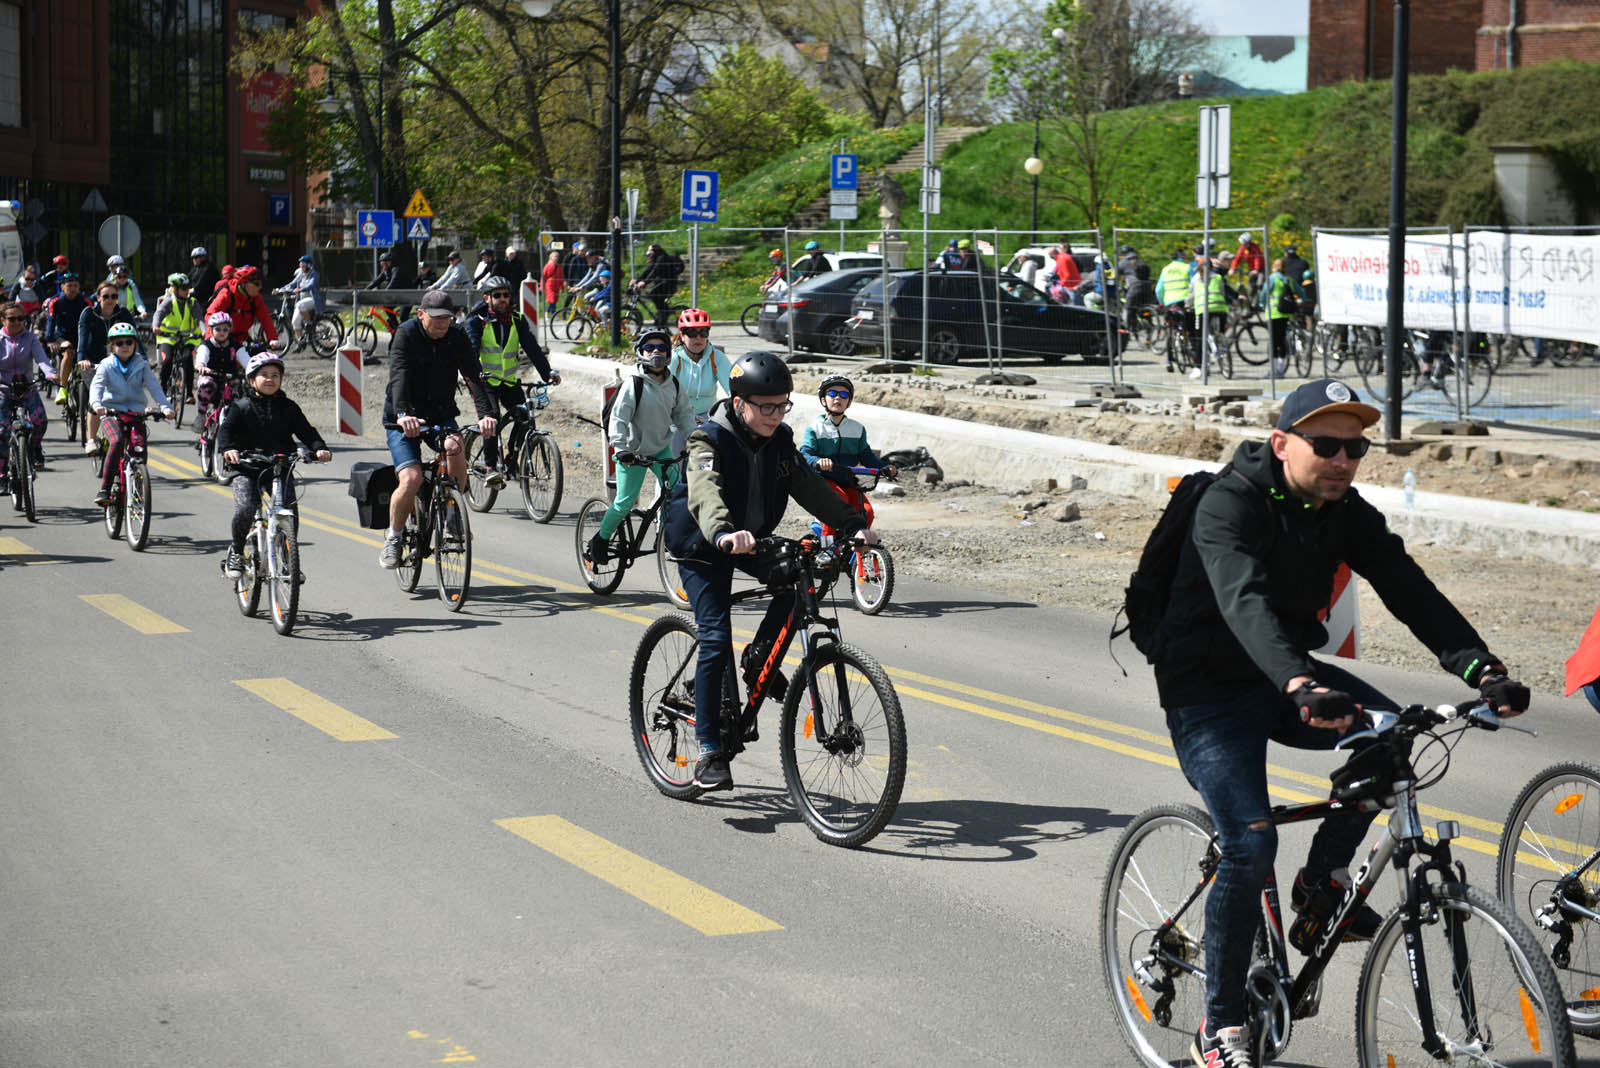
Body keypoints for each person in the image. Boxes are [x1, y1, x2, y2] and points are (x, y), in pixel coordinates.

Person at [1156, 377, 1531, 1067]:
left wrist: (1481, 669)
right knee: (1250, 844)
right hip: (1207, 687)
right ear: (1282, 443)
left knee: (1390, 740)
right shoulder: (1226, 504)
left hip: (1289, 679)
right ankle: (1221, 1027)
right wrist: (1300, 680)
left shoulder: (1344, 510)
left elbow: (1408, 587)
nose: (1342, 460)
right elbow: (1243, 600)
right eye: (1326, 445)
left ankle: (1320, 885)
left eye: (1355, 448)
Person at [662, 351, 879, 791]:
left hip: (749, 539)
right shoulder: (708, 439)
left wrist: (853, 524)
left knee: (800, 580)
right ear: (740, 402)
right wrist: (723, 532)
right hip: (704, 543)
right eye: (766, 406)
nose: (776, 414)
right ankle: (708, 749)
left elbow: (808, 485)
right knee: (715, 636)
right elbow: (705, 491)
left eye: (782, 405)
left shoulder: (779, 439)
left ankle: (759, 654)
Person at [378, 290, 497, 569]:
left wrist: (487, 414)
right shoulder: (406, 334)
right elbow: (399, 375)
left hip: (440, 414)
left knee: (456, 449)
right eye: (437, 318)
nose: (443, 323)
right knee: (411, 479)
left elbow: (474, 376)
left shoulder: (456, 337)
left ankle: (452, 515)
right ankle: (394, 538)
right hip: (403, 417)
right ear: (421, 315)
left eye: (448, 317)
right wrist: (404, 413)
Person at [584, 327, 695, 567]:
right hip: (632, 452)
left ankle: (666, 538)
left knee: (675, 493)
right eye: (650, 347)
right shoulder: (634, 384)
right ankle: (600, 540)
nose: (656, 352)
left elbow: (684, 416)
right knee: (625, 502)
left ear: (669, 354)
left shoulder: (674, 384)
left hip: (660, 449)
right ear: (640, 352)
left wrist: (697, 441)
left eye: (662, 348)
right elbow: (619, 419)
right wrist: (621, 449)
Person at [217, 350, 332, 581]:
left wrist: (318, 447)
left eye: (275, 375)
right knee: (246, 508)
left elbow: (306, 431)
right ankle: (237, 552)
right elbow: (225, 431)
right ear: (252, 380)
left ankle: (289, 561)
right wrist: (229, 449)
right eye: (264, 375)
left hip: (279, 467)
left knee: (289, 514)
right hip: (247, 466)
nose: (270, 379)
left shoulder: (289, 407)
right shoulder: (241, 407)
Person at [465, 276, 559, 485]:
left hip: (508, 381)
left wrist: (548, 374)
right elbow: (471, 352)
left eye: (506, 295)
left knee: (525, 415)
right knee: (492, 420)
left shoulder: (517, 320)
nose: (502, 299)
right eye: (497, 295)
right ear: (487, 298)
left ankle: (511, 457)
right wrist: (477, 372)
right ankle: (490, 467)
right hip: (484, 382)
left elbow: (533, 349)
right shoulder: (476, 322)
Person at [88, 321, 172, 506]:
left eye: (129, 342)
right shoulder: (106, 364)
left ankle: (137, 490)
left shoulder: (141, 364)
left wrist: (165, 407)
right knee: (117, 441)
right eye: (119, 343)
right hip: (111, 411)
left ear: (135, 344)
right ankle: (105, 489)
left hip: (135, 412)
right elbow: (97, 386)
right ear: (111, 346)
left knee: (140, 448)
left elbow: (154, 387)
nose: (125, 346)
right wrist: (97, 404)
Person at [800, 374, 896, 489]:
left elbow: (867, 458)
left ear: (849, 402)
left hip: (848, 480)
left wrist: (885, 467)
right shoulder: (814, 429)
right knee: (840, 505)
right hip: (822, 482)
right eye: (832, 393)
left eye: (844, 395)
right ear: (823, 400)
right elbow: (804, 455)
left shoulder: (858, 429)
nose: (838, 397)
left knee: (865, 508)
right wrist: (818, 461)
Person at [0, 300, 57, 492]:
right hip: (3, 389)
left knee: (40, 421)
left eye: (20, 318)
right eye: (12, 319)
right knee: (2, 432)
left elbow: (41, 359)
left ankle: (33, 448)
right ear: (2, 320)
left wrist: (50, 374)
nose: (17, 322)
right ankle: (2, 474)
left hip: (27, 388)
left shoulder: (30, 338)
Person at [78, 281, 141, 452]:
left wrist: (141, 357)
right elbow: (82, 339)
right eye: (106, 296)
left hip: (118, 361)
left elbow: (135, 338)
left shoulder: (123, 313)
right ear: (98, 298)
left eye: (114, 296)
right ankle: (91, 439)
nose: (110, 300)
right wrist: (82, 359)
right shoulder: (88, 313)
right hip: (93, 362)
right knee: (97, 395)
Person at [667, 307, 728, 451]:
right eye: (692, 333)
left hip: (707, 417)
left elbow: (734, 388)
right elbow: (663, 391)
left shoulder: (716, 357)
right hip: (677, 417)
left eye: (703, 333)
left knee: (709, 459)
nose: (698, 338)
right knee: (676, 454)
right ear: (682, 336)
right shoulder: (674, 358)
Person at [193, 310, 248, 425]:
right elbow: (202, 355)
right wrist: (201, 365)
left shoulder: (235, 345)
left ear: (230, 330)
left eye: (225, 329)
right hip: (211, 377)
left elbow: (246, 359)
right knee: (206, 384)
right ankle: (201, 414)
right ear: (211, 330)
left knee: (237, 398)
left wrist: (253, 369)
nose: (222, 332)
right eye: (218, 329)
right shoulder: (206, 345)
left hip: (230, 379)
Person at [206, 265, 279, 348]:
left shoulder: (256, 298)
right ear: (244, 284)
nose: (260, 287)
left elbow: (265, 318)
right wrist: (211, 339)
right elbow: (210, 315)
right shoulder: (226, 295)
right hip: (225, 338)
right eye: (257, 284)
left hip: (243, 338)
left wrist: (273, 338)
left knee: (261, 358)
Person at [151, 272, 199, 398]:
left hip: (186, 339)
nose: (187, 291)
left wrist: (204, 330)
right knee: (167, 361)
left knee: (188, 360)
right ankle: (163, 387)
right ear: (175, 290)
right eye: (184, 288)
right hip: (167, 338)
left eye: (188, 287)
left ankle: (189, 394)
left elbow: (199, 318)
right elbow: (159, 313)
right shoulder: (168, 302)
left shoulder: (192, 302)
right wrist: (156, 326)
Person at [44, 274, 90, 398]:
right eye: (69, 286)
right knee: (69, 351)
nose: (73, 288)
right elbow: (50, 322)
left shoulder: (85, 301)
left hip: (81, 337)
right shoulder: (55, 301)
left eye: (75, 286)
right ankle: (62, 389)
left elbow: (95, 320)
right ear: (62, 287)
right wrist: (50, 340)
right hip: (62, 337)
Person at [1262, 258, 1306, 377]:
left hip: (1273, 313)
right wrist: (1301, 300)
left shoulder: (1271, 279)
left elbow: (1264, 294)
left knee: (1273, 341)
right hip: (1286, 313)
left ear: (1274, 267)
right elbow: (1301, 292)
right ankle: (1281, 370)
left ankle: (1274, 370)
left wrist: (1261, 304)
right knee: (1281, 341)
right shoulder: (1288, 279)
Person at [1154, 248, 1193, 371]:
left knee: (1171, 332)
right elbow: (1194, 284)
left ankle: (1169, 361)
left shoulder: (1165, 269)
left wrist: (1162, 303)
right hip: (1185, 302)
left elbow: (1158, 290)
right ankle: (1195, 356)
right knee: (1190, 329)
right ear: (1183, 257)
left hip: (1170, 303)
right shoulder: (1187, 268)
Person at [276, 255, 324, 353]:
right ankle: (301, 342)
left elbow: (311, 284)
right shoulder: (301, 275)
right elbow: (292, 284)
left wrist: (301, 289)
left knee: (300, 305)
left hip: (313, 300)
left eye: (303, 266)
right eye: (300, 266)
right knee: (295, 322)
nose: (301, 268)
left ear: (309, 266)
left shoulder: (315, 274)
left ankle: (309, 323)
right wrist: (279, 289)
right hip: (302, 302)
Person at [630, 243, 681, 328]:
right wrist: (637, 280)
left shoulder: (662, 258)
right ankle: (662, 314)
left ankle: (663, 316)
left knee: (653, 294)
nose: (648, 252)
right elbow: (648, 271)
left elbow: (654, 272)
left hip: (669, 284)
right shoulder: (657, 258)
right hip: (663, 283)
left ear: (655, 251)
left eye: (650, 250)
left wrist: (644, 282)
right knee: (655, 295)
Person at [1234, 232, 1266, 299]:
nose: (1244, 246)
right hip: (1252, 270)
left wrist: (1256, 270)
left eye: (1245, 244)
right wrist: (1233, 268)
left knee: (1259, 284)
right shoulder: (1242, 248)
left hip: (1260, 269)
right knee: (1251, 287)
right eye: (1243, 244)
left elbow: (1257, 259)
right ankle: (1252, 303)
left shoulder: (1255, 248)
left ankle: (1262, 301)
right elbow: (1237, 258)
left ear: (1249, 242)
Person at [540, 250, 564, 319]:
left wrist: (562, 287)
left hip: (556, 286)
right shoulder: (547, 266)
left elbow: (561, 278)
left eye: (557, 256)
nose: (556, 258)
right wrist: (542, 286)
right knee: (552, 300)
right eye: (555, 256)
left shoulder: (559, 267)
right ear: (551, 257)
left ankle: (553, 315)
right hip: (549, 286)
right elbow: (543, 277)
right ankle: (547, 313)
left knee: (555, 301)